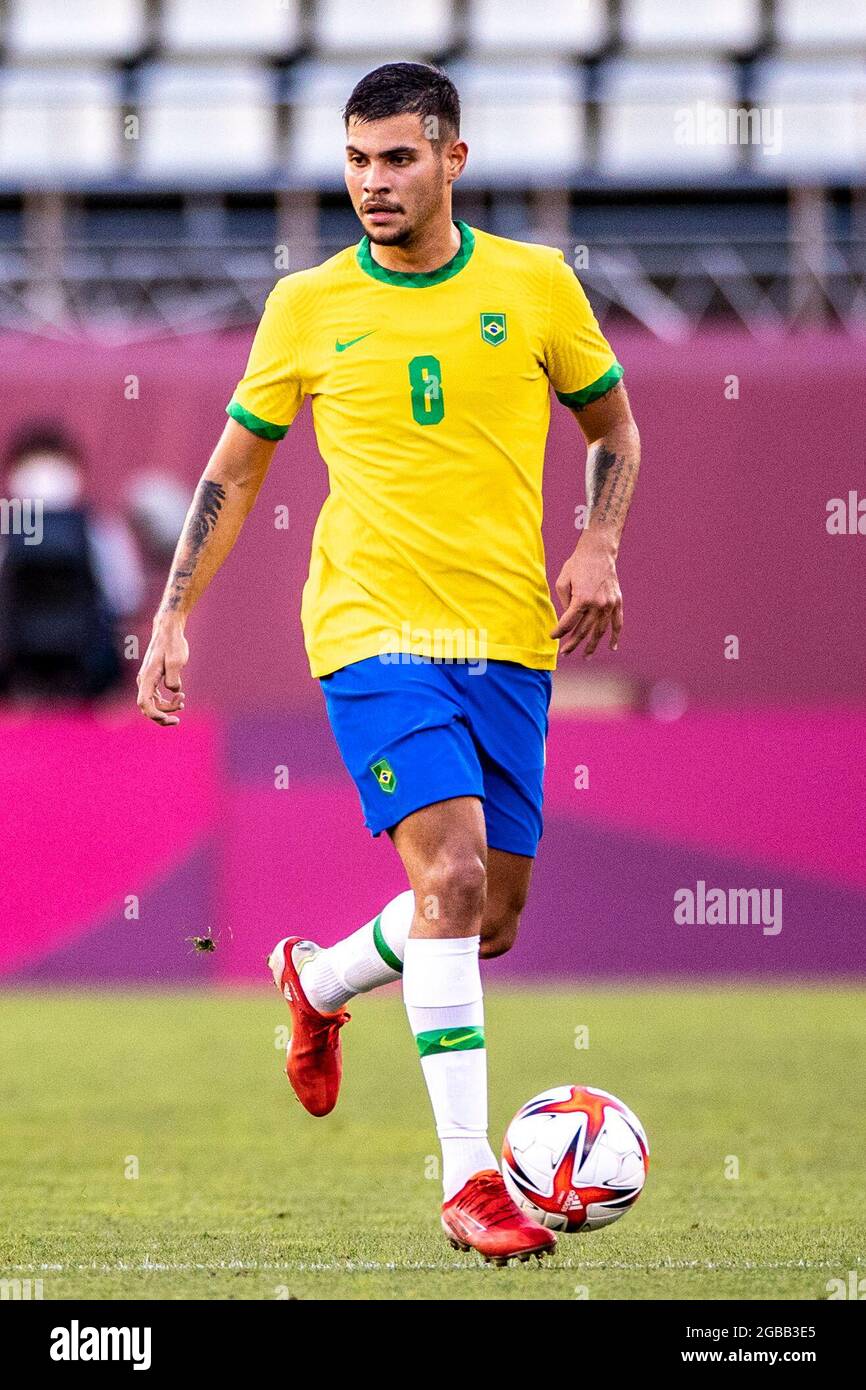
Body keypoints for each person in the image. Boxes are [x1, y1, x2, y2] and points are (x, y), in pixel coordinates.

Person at [137, 62, 641, 1265]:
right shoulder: (307, 305)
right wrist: (170, 616)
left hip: (508, 639)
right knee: (453, 877)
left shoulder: (532, 288)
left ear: (451, 160)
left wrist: (599, 539)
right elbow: (235, 469)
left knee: (486, 918)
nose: (373, 182)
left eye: (398, 158)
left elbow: (612, 425)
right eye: (357, 160)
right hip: (368, 630)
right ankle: (469, 1179)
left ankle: (316, 982)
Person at [0, 421, 143, 701]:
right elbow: (127, 598)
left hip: (20, 667)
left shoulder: (102, 531)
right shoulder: (102, 531)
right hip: (90, 666)